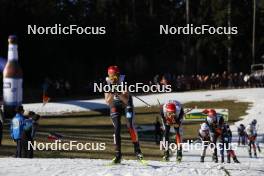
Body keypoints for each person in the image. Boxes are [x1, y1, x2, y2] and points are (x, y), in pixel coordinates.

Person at [104, 66, 143, 164]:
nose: (114, 78)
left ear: (118, 74)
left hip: (126, 104)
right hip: (115, 105)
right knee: (117, 128)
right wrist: (113, 91)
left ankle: (137, 151)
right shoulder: (107, 83)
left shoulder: (124, 80)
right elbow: (107, 101)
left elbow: (126, 100)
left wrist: (119, 92)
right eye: (111, 76)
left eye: (115, 75)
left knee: (130, 126)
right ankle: (118, 155)